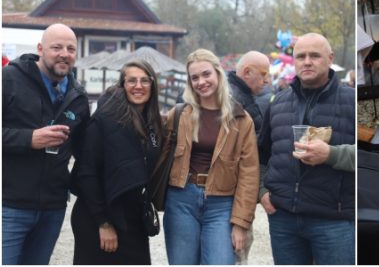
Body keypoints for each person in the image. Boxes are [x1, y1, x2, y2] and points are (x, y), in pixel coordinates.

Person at [258, 33, 355, 265]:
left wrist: (331, 155)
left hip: (333, 218)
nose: (307, 61)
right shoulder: (278, 102)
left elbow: (370, 159)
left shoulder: (351, 100)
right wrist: (261, 191)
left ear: (330, 58)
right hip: (283, 218)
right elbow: (260, 156)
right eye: (300, 56)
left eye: (315, 55)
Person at [2, 24, 90, 265]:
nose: (64, 53)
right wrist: (29, 139)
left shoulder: (79, 97)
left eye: (71, 49)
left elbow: (87, 154)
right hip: (9, 205)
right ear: (40, 49)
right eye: (57, 47)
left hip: (53, 208)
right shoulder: (8, 80)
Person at [162, 49, 258, 265]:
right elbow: (153, 144)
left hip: (222, 204)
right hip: (181, 199)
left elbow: (249, 174)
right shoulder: (179, 114)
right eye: (194, 77)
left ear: (218, 73)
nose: (201, 82)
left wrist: (241, 223)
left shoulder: (241, 119)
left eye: (206, 74)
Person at [70, 59, 164, 264]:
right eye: (131, 81)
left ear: (153, 85)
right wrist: (103, 223)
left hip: (133, 218)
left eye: (144, 81)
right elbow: (87, 173)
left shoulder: (153, 122)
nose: (138, 86)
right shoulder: (104, 119)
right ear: (122, 85)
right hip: (99, 217)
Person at [227, 51, 271, 133]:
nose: (266, 81)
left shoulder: (240, 96)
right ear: (247, 72)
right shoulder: (236, 101)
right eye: (263, 74)